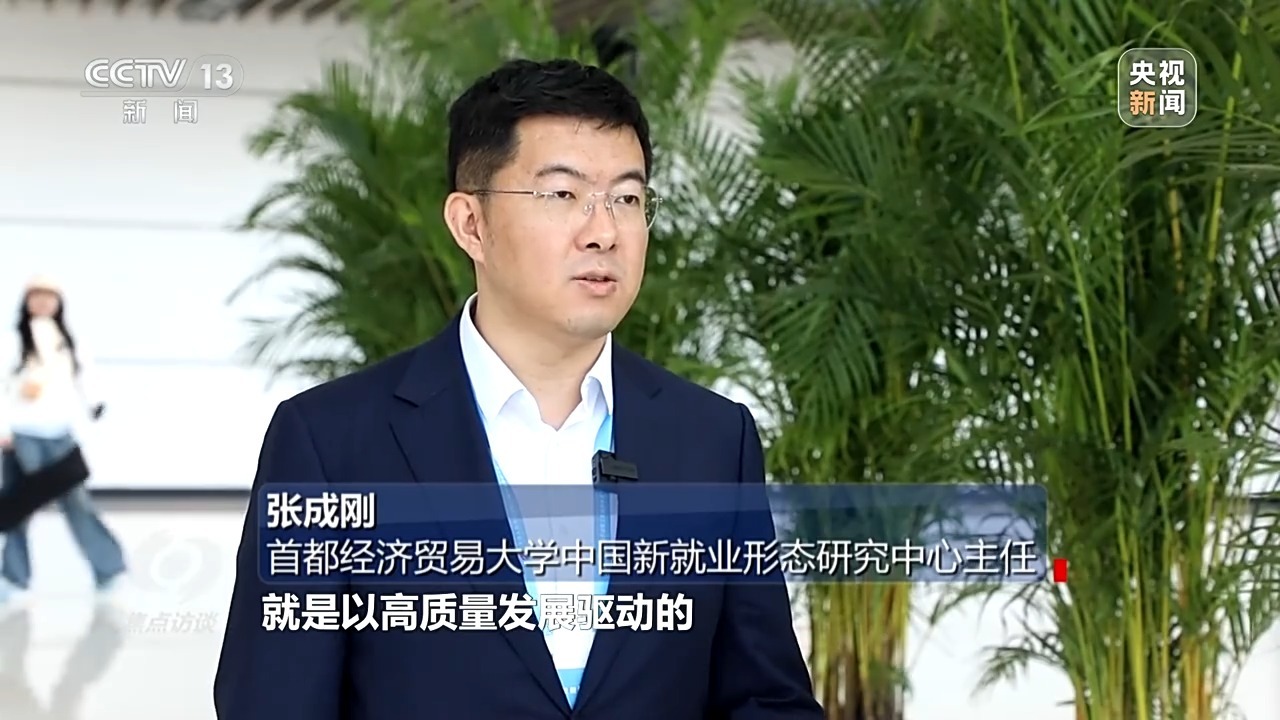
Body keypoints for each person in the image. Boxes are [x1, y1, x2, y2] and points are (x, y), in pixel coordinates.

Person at [214, 58, 823, 719]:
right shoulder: (331, 444)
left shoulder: (712, 439)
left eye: (626, 198)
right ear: (470, 224)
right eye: (562, 195)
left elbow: (764, 697)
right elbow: (275, 703)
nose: (603, 232)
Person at [0, 276, 126, 602]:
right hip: (22, 435)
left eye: (49, 296)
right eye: (37, 296)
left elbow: (87, 379)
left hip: (61, 434)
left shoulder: (70, 342)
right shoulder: (12, 341)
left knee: (77, 502)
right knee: (17, 507)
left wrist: (95, 405)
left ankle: (109, 568)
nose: (43, 302)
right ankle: (13, 578)